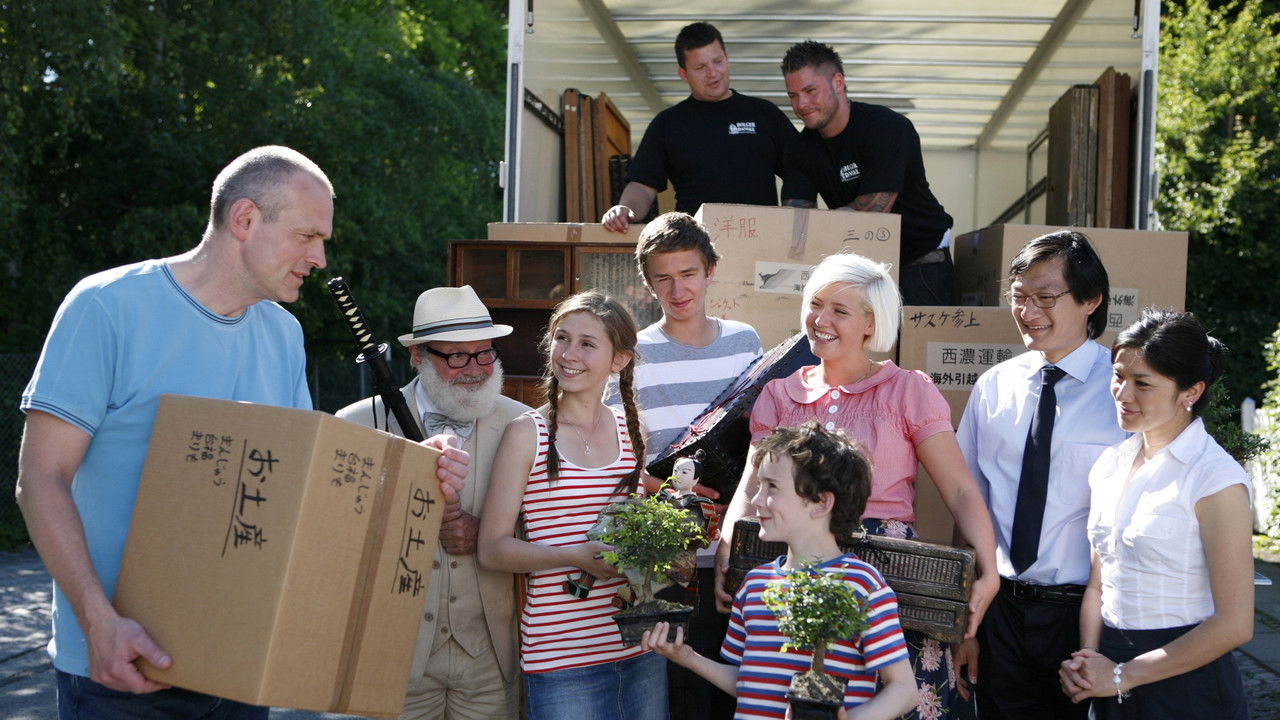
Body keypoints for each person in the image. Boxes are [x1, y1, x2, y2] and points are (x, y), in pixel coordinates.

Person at [14, 146, 470, 720]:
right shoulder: (107, 306)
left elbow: (301, 493)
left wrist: (411, 471)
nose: (320, 258)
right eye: (307, 236)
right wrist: (97, 623)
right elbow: (40, 479)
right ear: (245, 219)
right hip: (120, 670)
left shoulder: (283, 333)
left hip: (238, 669)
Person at [714, 252, 1000, 719]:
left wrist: (988, 570)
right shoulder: (779, 393)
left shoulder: (908, 390)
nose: (820, 320)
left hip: (892, 573)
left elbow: (961, 490)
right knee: (796, 695)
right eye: (816, 303)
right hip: (797, 566)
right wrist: (730, 544)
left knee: (898, 699)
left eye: (839, 311)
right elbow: (752, 484)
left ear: (871, 323)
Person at [955, 230, 1127, 719]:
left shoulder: (1122, 391)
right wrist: (963, 627)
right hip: (1000, 609)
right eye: (1018, 298)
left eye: (1046, 298)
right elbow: (969, 502)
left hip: (1083, 615)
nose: (1028, 312)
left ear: (1091, 300)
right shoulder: (994, 387)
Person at [336, 285, 530, 720]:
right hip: (390, 655)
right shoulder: (357, 425)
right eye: (456, 356)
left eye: (484, 354)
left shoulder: (524, 423)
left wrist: (488, 534)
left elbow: (549, 526)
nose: (475, 369)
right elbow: (334, 540)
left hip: (489, 657)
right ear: (418, 357)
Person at [642, 421, 917, 720]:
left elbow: (903, 688)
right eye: (759, 486)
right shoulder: (754, 585)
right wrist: (688, 658)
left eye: (771, 487)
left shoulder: (861, 584)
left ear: (821, 502)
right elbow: (750, 682)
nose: (757, 500)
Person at [476, 291, 667, 720]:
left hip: (638, 645)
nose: (568, 354)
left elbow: (634, 534)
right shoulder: (527, 434)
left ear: (619, 359)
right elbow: (492, 549)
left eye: (586, 343)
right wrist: (572, 556)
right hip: (559, 660)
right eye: (562, 338)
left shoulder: (630, 430)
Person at [604, 211, 761, 720]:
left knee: (741, 688)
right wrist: (664, 491)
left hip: (738, 548)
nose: (678, 289)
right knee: (676, 695)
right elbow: (615, 450)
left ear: (710, 269)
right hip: (664, 555)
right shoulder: (633, 354)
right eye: (663, 278)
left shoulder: (745, 342)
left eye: (688, 273)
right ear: (648, 283)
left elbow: (762, 436)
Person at [1057, 310, 1252, 718]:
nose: (1123, 394)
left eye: (1142, 384)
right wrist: (1089, 660)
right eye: (1118, 376)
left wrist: (1122, 675)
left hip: (1186, 680)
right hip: (1110, 668)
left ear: (1190, 392)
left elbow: (1235, 623)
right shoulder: (1110, 464)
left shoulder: (1215, 479)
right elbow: (1099, 583)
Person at [778, 41, 954, 306]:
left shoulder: (887, 127)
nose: (801, 103)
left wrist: (819, 226)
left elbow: (871, 214)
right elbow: (798, 220)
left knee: (913, 348)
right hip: (861, 266)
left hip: (921, 261)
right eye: (793, 95)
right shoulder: (799, 149)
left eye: (810, 90)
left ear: (838, 82)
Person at [602, 23, 797, 231]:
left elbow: (801, 168)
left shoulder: (763, 113)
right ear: (683, 74)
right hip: (694, 247)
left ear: (727, 58)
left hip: (761, 240)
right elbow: (642, 185)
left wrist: (792, 213)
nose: (712, 73)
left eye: (718, 61)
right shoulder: (668, 124)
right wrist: (624, 209)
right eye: (700, 67)